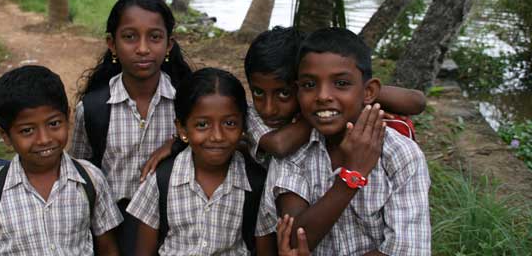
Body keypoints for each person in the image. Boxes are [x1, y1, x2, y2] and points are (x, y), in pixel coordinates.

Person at [265, 27, 431, 255]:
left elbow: (408, 250)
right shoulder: (295, 154)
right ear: (298, 91)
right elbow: (294, 240)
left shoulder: (400, 154)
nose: (323, 96)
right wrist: (352, 175)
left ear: (369, 91)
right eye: (309, 85)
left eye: (341, 84)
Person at [0, 65, 122, 255]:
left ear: (68, 117)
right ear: (5, 135)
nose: (44, 139)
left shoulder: (91, 180)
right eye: (27, 130)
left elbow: (107, 247)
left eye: (54, 124)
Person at [70, 0, 192, 253]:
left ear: (169, 45)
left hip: (175, 225)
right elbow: (79, 174)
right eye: (130, 37)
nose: (143, 48)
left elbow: (226, 136)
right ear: (112, 44)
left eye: (155, 37)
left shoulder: (189, 102)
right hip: (112, 227)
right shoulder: (92, 109)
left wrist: (177, 142)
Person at [127, 68, 277, 255]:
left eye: (229, 123)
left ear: (243, 126)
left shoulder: (257, 183)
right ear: (182, 129)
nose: (217, 136)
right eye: (202, 125)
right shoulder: (161, 180)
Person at [244, 26, 426, 165]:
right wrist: (324, 111)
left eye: (284, 94)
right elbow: (280, 145)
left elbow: (416, 102)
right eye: (258, 92)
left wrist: (357, 96)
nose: (269, 108)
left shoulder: (336, 97)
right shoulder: (253, 116)